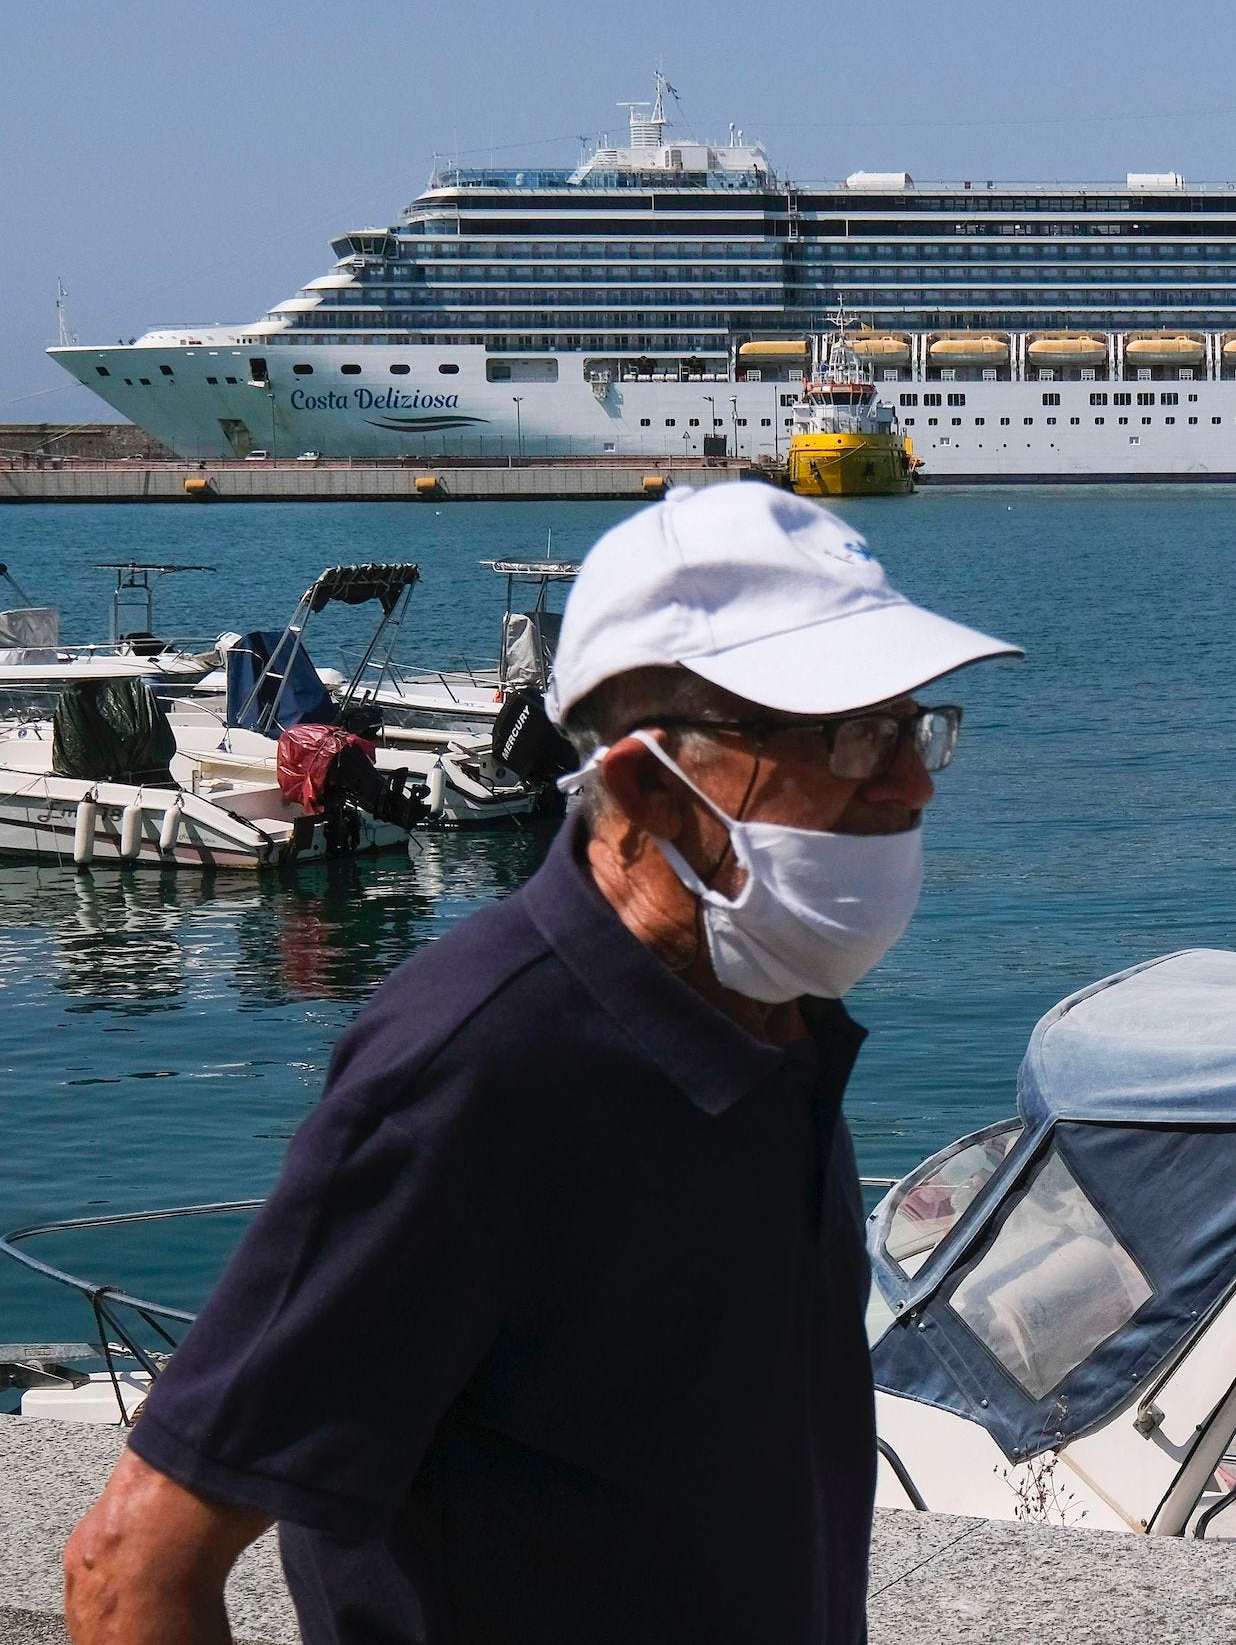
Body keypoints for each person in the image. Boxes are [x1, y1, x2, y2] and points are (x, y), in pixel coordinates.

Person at [62, 485, 1020, 1645]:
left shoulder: (772, 1019)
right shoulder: (477, 1072)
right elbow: (130, 1568)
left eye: (912, 726)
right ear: (645, 788)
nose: (911, 782)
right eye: (848, 737)